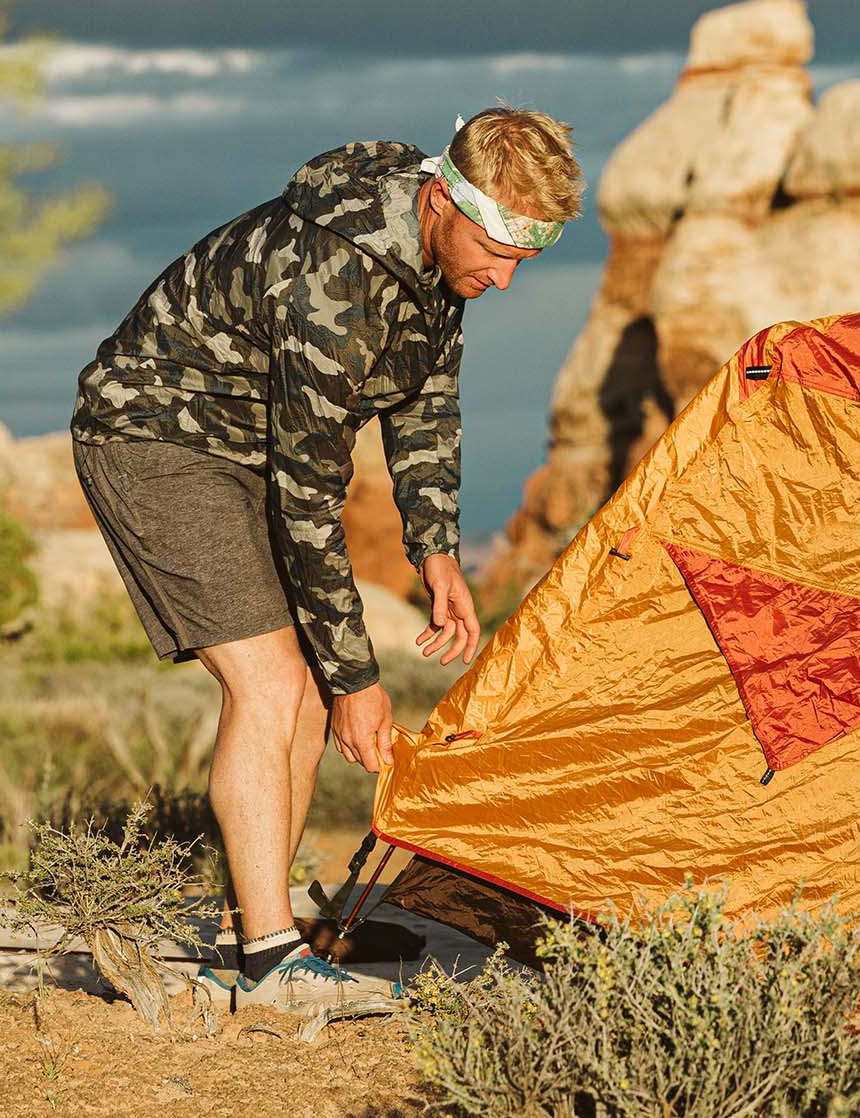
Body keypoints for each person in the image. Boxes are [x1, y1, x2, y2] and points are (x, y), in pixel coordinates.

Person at [69, 108, 580, 1009]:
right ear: (441, 201)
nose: (501, 280)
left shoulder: (436, 270)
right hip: (156, 439)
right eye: (495, 252)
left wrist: (438, 555)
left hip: (247, 450)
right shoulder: (335, 275)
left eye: (522, 261)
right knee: (276, 685)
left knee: (296, 686)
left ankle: (248, 936)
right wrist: (359, 679)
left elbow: (424, 408)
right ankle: (271, 963)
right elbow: (310, 500)